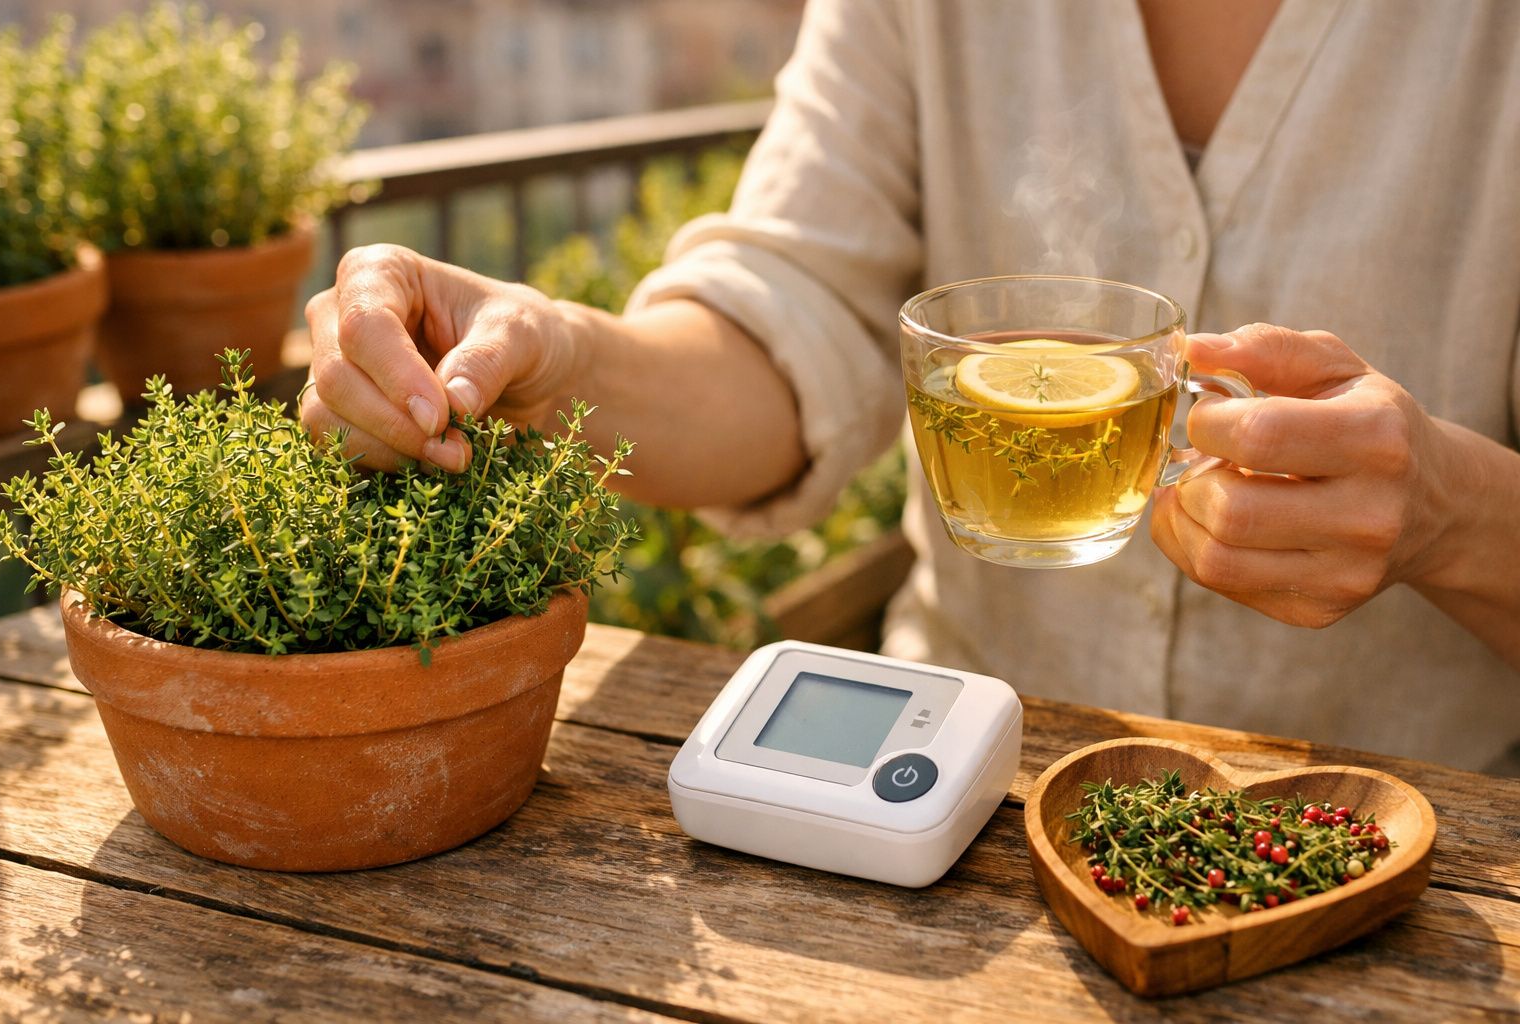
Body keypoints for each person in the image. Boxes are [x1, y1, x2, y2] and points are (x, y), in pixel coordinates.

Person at [302, 0, 1520, 772]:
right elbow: (789, 323)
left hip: (1422, 843)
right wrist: (553, 350)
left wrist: (1457, 513)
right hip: (949, 781)